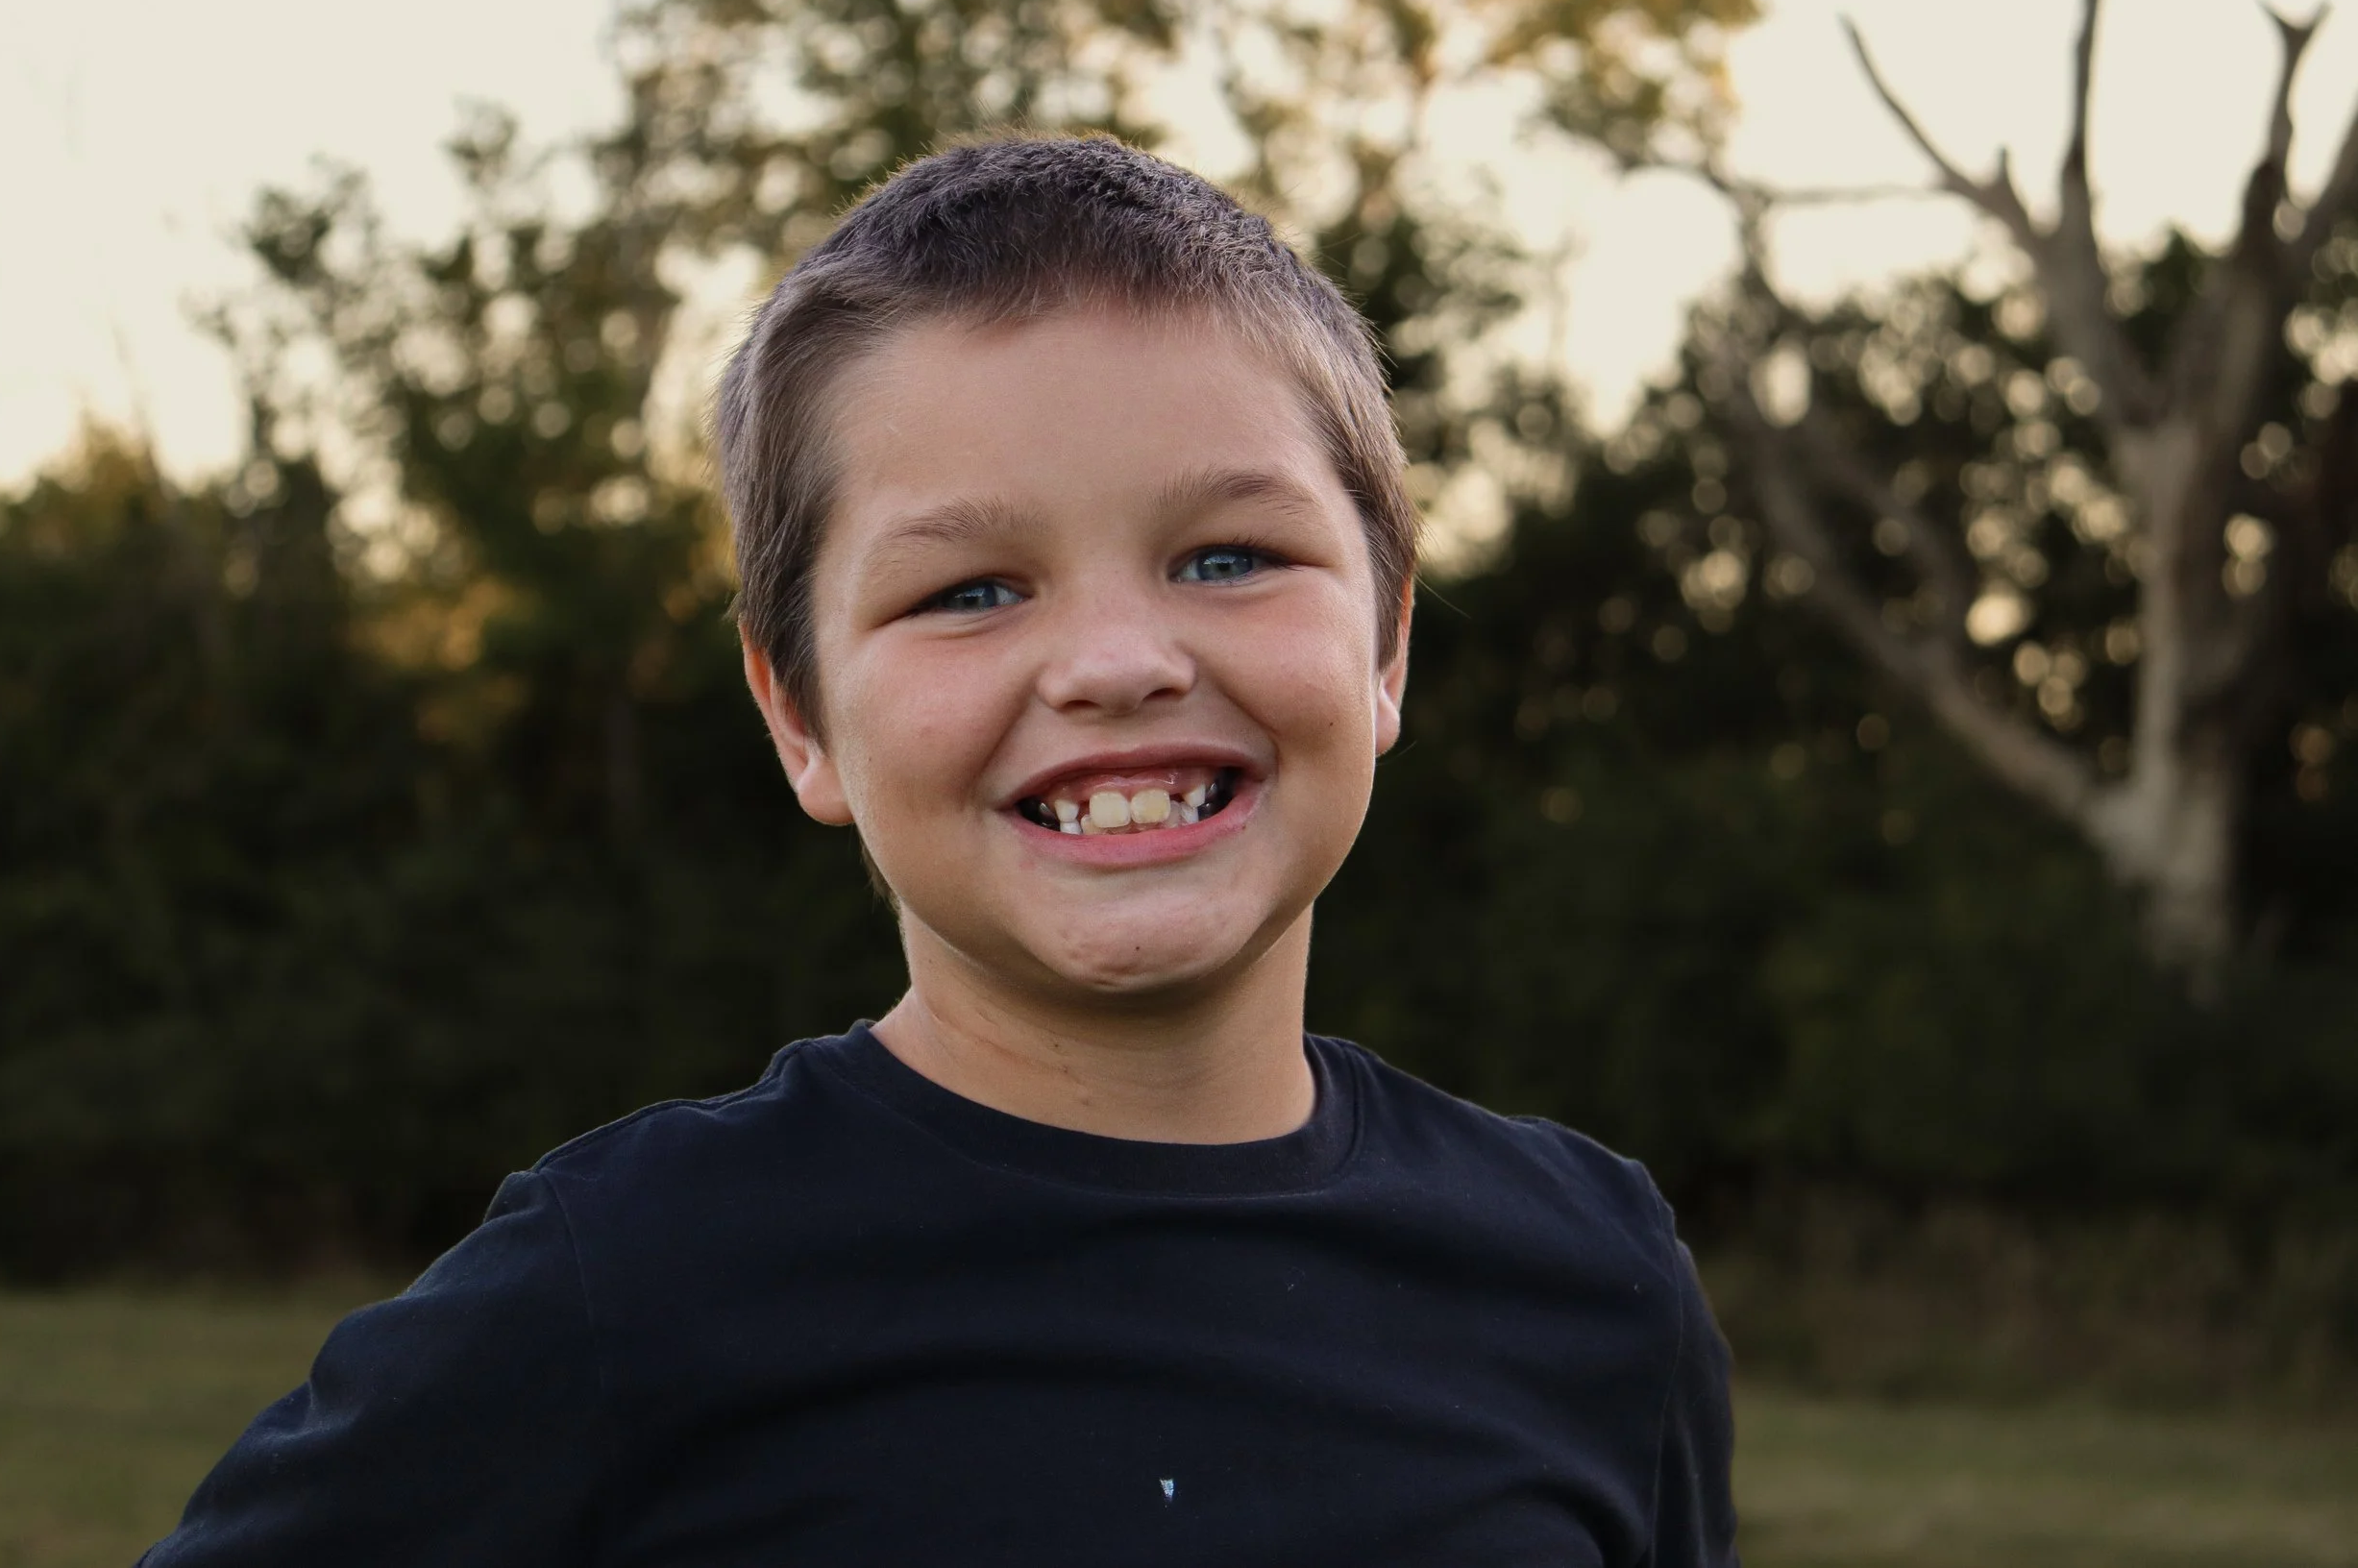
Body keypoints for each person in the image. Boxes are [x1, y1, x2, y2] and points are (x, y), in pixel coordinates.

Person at [140, 133, 1736, 1566]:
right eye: (969, 590)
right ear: (801, 717)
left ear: (1386, 644)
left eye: (1230, 555)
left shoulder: (1592, 1281)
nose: (1116, 660)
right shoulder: (621, 1291)